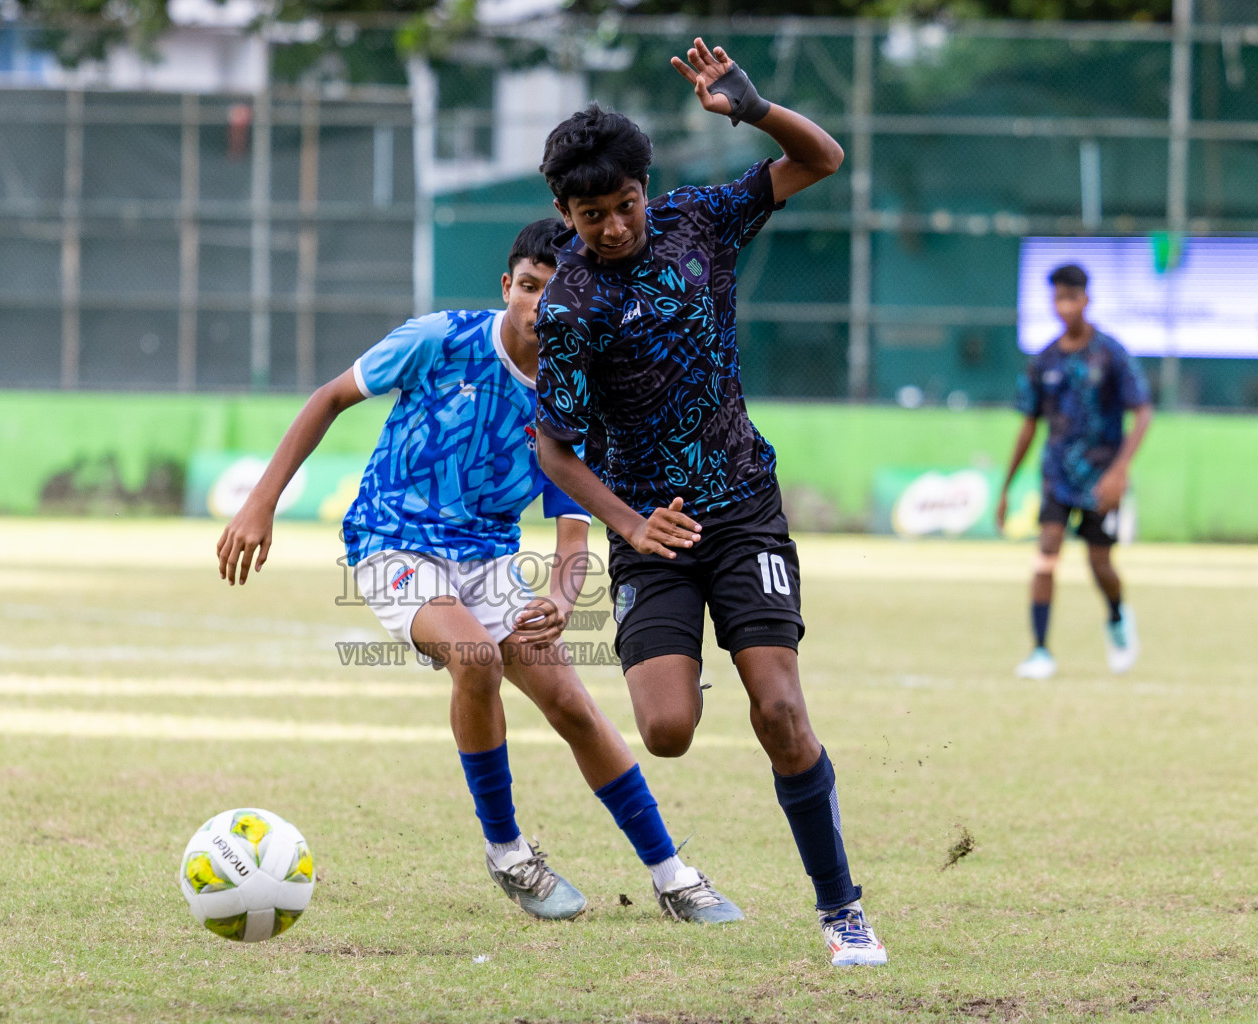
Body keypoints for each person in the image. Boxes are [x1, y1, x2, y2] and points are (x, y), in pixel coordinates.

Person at [217, 220, 741, 924]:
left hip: (488, 557)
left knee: (574, 708)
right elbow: (330, 397)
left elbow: (572, 531)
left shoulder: (572, 398)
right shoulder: (439, 338)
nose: (535, 303)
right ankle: (508, 852)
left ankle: (673, 875)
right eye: (527, 286)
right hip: (392, 540)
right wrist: (261, 503)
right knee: (476, 660)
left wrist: (559, 597)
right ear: (508, 285)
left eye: (553, 291)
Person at [533, 39, 887, 966]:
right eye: (590, 215)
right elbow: (557, 451)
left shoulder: (700, 223)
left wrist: (757, 108)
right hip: (651, 533)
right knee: (667, 733)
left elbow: (821, 160)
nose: (612, 227)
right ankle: (689, 641)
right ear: (563, 215)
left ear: (648, 187)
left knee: (779, 713)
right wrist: (629, 525)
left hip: (742, 508)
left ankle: (840, 907)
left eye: (623, 205)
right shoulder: (568, 307)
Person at [997, 263, 1152, 680]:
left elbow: (1142, 412)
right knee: (1046, 552)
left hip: (1101, 478)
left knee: (1100, 563)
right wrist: (1006, 486)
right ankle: (1041, 651)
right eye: (1057, 298)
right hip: (1057, 478)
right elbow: (1028, 425)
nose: (1064, 307)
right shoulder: (1044, 360)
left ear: (1086, 299)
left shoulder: (1110, 353)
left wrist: (1120, 471)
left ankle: (1118, 618)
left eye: (1071, 297)